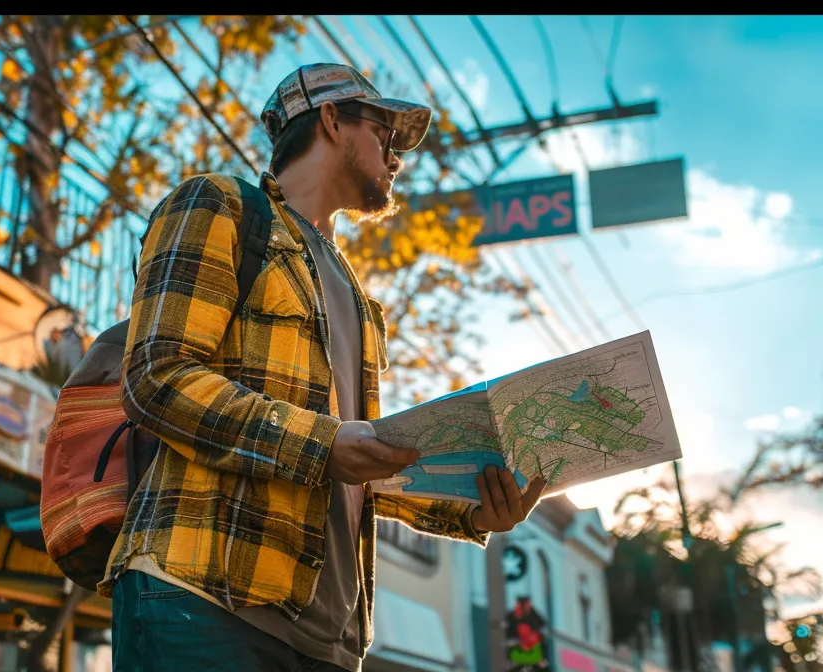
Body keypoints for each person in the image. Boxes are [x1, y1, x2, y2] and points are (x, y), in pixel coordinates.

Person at [107, 63, 549, 671]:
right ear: (333, 119)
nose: (395, 156)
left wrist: (470, 507)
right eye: (384, 133)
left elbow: (353, 460)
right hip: (203, 596)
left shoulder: (357, 298)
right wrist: (323, 443)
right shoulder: (219, 205)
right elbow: (157, 377)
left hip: (330, 636)